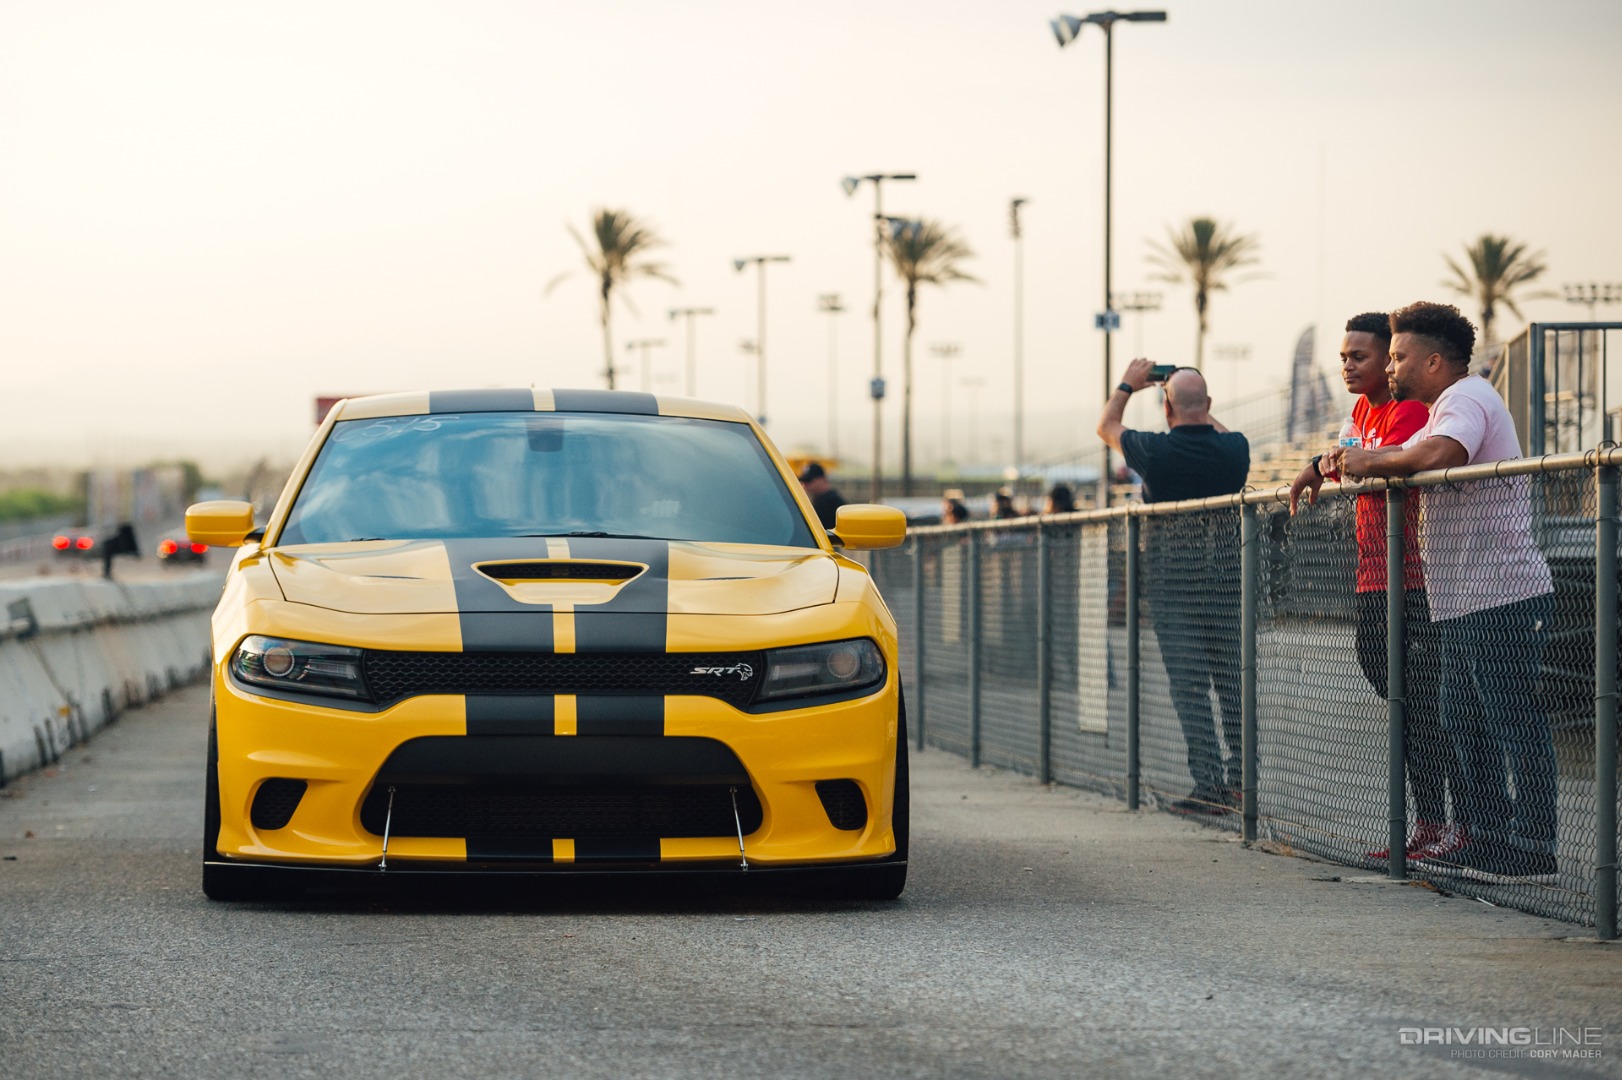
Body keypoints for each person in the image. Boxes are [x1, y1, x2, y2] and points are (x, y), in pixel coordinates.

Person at [1333, 301, 1557, 885]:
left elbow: (1440, 455)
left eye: (1400, 356)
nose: (1391, 367)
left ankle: (1533, 847)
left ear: (1433, 361)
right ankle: (1485, 838)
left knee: (1512, 718)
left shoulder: (1466, 399)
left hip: (1501, 591)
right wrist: (1358, 460)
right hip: (1462, 597)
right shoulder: (1440, 406)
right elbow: (1417, 451)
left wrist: (1369, 462)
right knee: (1462, 715)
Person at [1290, 312, 1462, 864]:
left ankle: (1452, 824)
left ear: (1392, 359)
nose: (1349, 366)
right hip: (1372, 578)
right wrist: (1324, 462)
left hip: (1414, 578)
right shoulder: (1361, 409)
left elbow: (1371, 463)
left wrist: (1333, 462)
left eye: (1361, 356)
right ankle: (1431, 822)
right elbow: (1349, 458)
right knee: (1403, 704)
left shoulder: (1409, 410)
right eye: (1344, 357)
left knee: (1428, 709)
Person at [1098, 359, 1250, 814]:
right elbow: (1218, 432)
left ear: (1166, 409)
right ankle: (1243, 783)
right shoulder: (1235, 449)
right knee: (1233, 685)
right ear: (1209, 405)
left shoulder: (1155, 451)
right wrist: (1195, 402)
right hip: (1227, 581)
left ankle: (1209, 786)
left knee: (1190, 689)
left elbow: (1106, 425)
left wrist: (1129, 384)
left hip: (1174, 585)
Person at [797, 461, 846, 531]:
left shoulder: (831, 501)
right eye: (804, 481)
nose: (805, 485)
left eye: (809, 481)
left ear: (822, 479)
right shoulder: (819, 499)